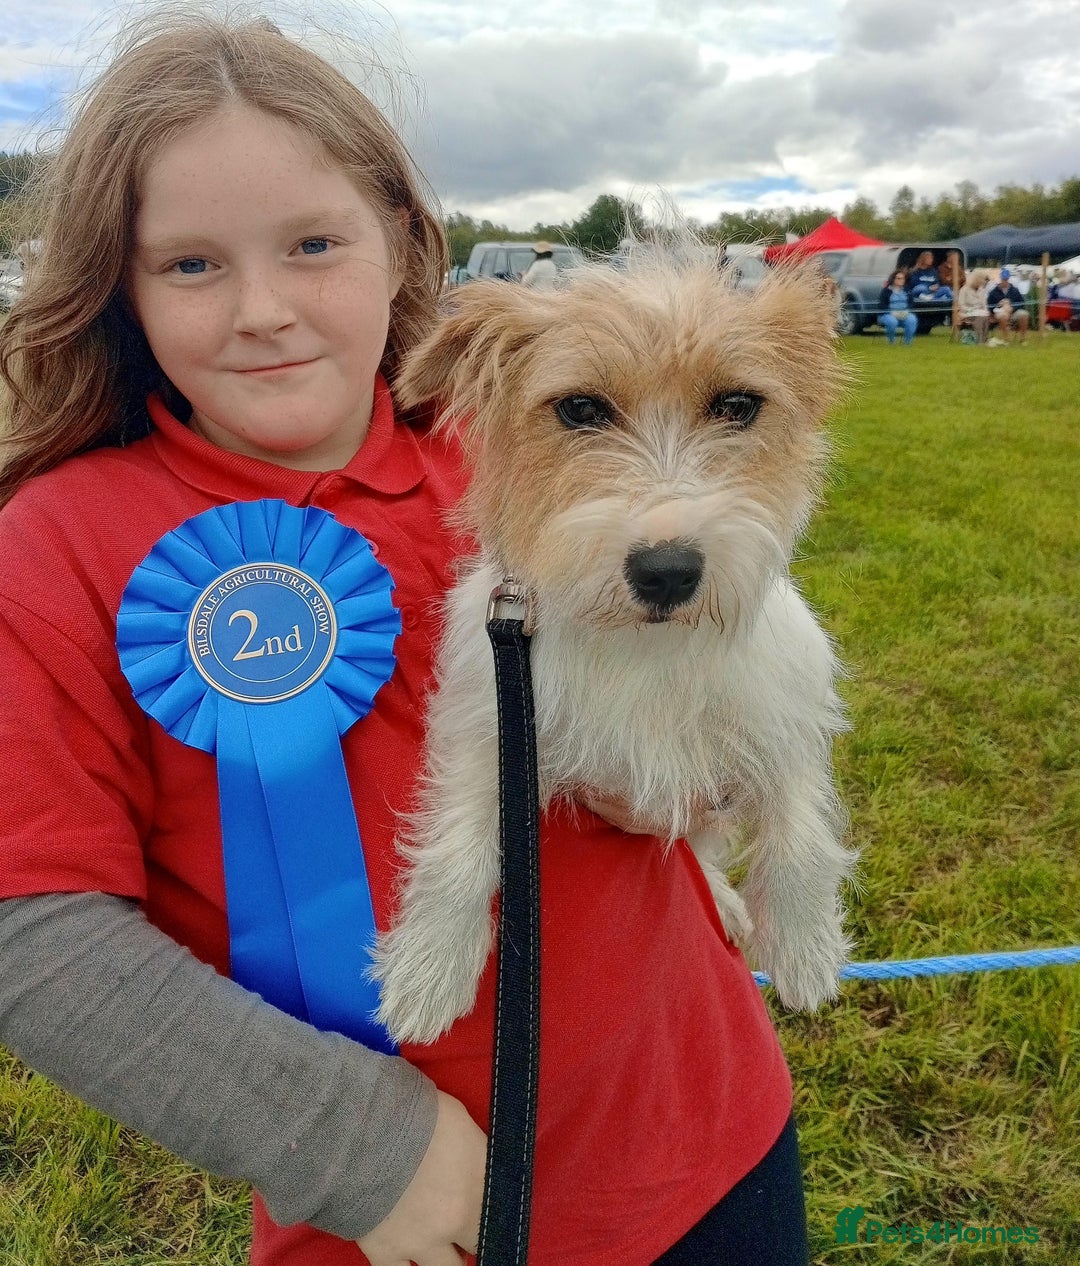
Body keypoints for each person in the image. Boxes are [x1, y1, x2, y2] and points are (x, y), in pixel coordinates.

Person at [0, 13, 807, 1266]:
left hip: (710, 1140)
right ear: (119, 285)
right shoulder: (55, 550)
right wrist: (352, 1148)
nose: (265, 309)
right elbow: (32, 929)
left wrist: (700, 775)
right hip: (399, 1218)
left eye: (314, 244)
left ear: (401, 245)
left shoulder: (533, 456)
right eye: (191, 265)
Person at [985, 267, 1030, 344]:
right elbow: (989, 305)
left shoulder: (1015, 290)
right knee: (1003, 316)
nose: (1004, 281)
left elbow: (1022, 303)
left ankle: (1023, 339)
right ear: (1000, 279)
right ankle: (1006, 339)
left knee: (1024, 314)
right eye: (1003, 279)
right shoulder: (994, 292)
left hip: (1013, 312)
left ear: (1008, 279)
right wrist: (999, 306)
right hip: (999, 313)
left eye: (1006, 279)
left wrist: (1012, 307)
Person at [878, 269, 918, 345]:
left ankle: (907, 343)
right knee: (892, 321)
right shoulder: (886, 291)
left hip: (904, 313)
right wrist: (891, 312)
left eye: (903, 278)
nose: (901, 280)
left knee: (912, 319)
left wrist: (907, 311)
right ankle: (891, 341)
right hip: (888, 314)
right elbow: (881, 305)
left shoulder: (907, 290)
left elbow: (911, 304)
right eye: (898, 278)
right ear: (893, 279)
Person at [956, 269, 991, 345]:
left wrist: (985, 311)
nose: (984, 281)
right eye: (982, 279)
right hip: (967, 313)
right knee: (980, 317)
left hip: (980, 312)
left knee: (984, 316)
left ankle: (984, 339)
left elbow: (984, 305)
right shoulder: (964, 290)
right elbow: (961, 305)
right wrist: (972, 309)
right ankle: (980, 339)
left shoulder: (982, 290)